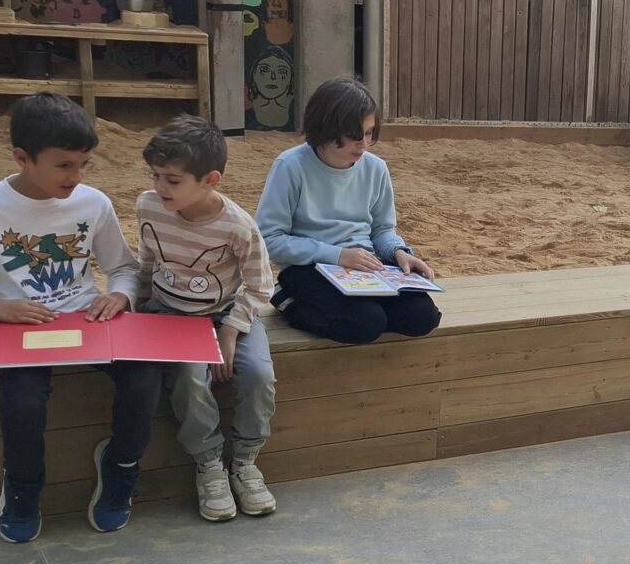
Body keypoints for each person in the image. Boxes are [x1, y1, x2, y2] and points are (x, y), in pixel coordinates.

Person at [0, 93, 167, 543]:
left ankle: (121, 468)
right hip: (21, 328)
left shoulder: (93, 203)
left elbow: (124, 268)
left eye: (84, 164)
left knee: (146, 375)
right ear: (22, 158)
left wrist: (120, 296)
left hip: (89, 320)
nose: (76, 176)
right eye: (64, 165)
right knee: (24, 398)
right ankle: (23, 487)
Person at [136, 117, 280, 522]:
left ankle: (245, 462)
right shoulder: (148, 205)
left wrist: (230, 332)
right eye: (155, 176)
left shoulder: (238, 226)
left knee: (258, 375)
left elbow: (260, 286)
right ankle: (209, 463)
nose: (161, 187)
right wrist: (136, 308)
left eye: (172, 180)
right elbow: (147, 262)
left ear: (210, 180)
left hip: (227, 313)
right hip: (169, 313)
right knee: (188, 376)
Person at [258, 77, 442, 344]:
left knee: (422, 317)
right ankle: (287, 300)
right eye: (355, 135)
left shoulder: (376, 168)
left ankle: (360, 311)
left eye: (369, 133)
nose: (364, 144)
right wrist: (337, 255)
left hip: (365, 266)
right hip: (309, 267)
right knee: (366, 322)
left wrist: (398, 252)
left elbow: (382, 229)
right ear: (326, 128)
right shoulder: (290, 166)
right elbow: (268, 239)